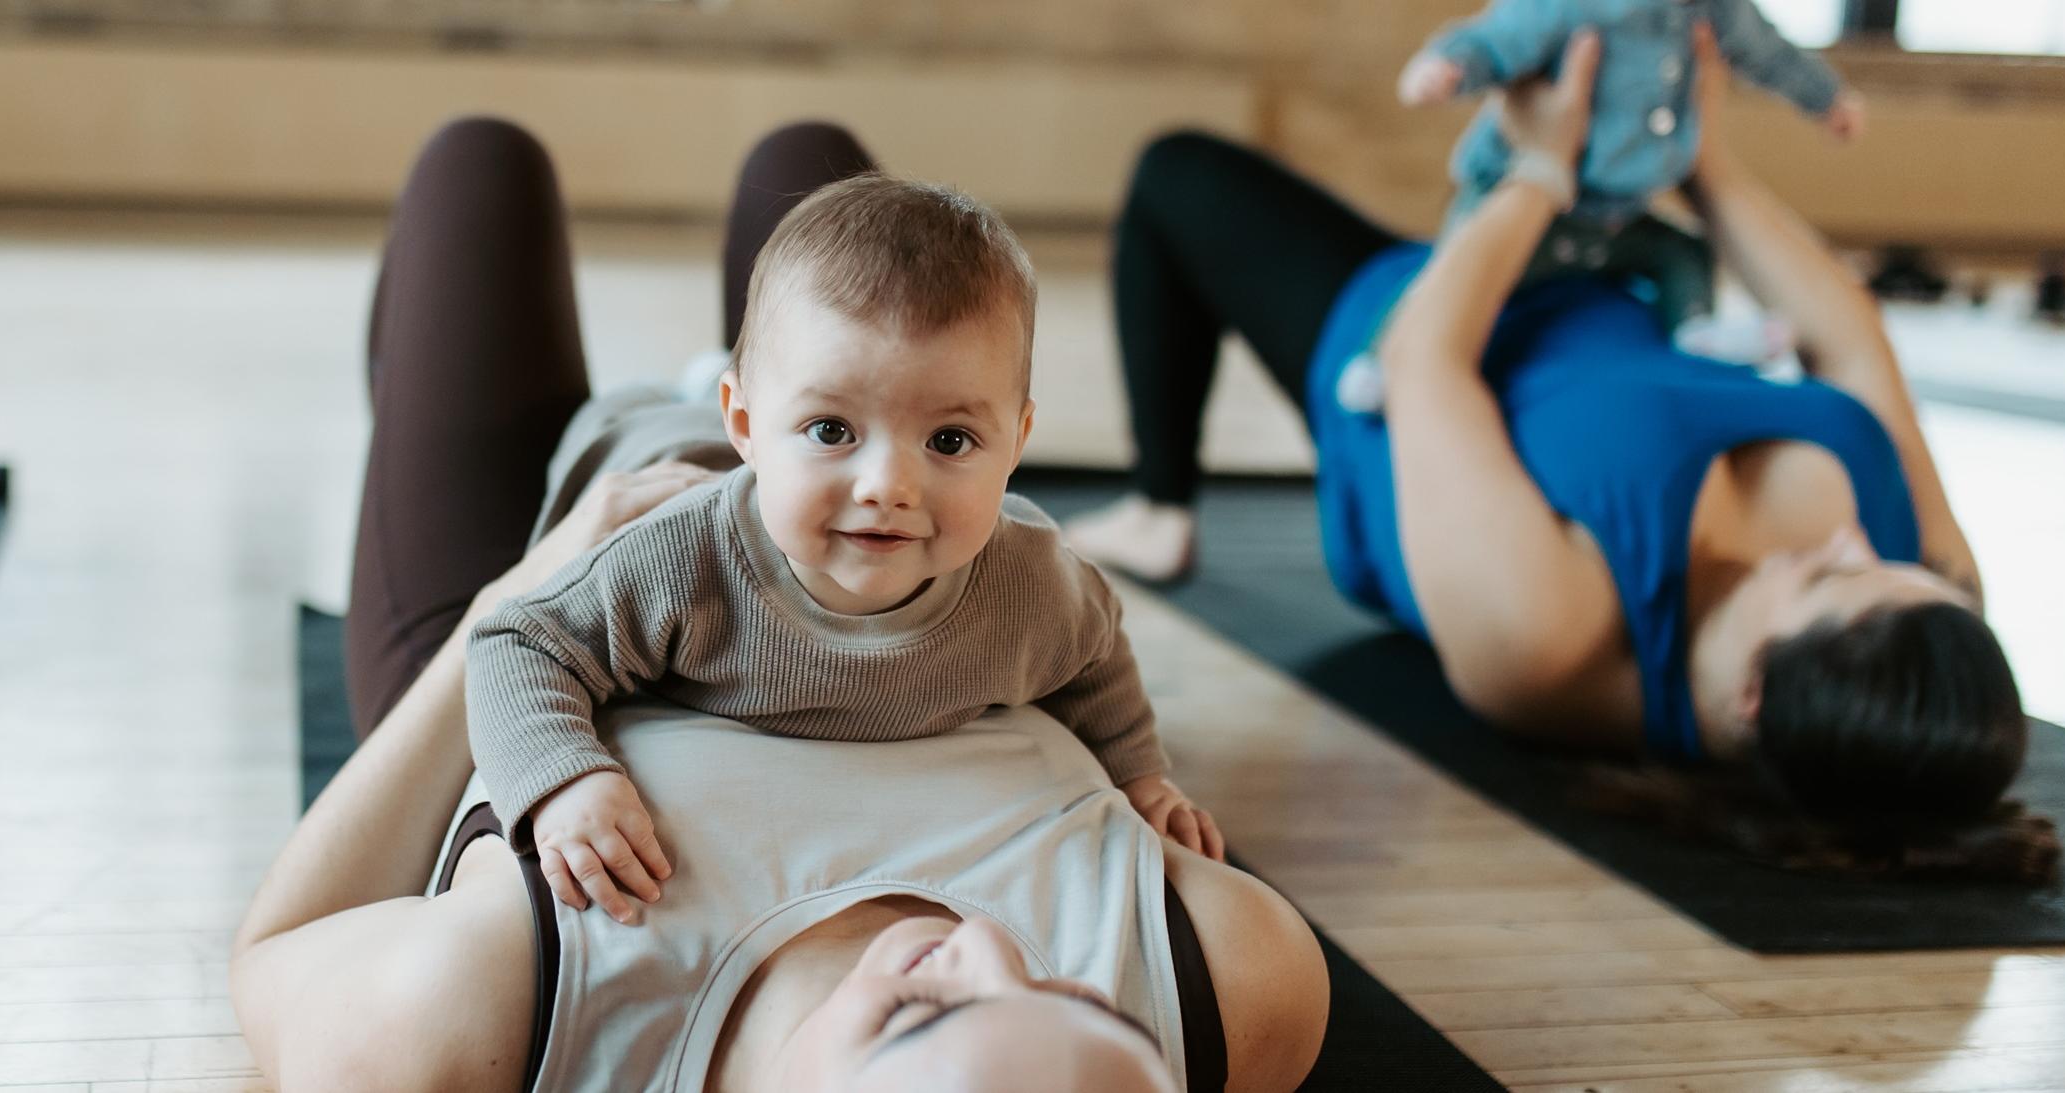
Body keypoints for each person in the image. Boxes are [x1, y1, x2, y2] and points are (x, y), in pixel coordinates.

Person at [230, 118, 1330, 1092]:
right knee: (818, 180)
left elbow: (285, 939)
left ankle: (774, 395)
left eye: (909, 1018)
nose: (987, 952)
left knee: (481, 166)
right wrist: (1144, 775)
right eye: (1078, 1002)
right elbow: (1093, 654)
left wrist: (532, 596)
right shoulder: (1232, 989)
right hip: (794, 492)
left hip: (571, 551)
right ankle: (797, 378)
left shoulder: (443, 1037)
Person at [1068, 28, 2052, 880]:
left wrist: (1541, 168)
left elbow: (1423, 364)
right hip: (1600, 289)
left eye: (1828, 579)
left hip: (1407, 331)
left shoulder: (1548, 642)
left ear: (1752, 692)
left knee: (1175, 174)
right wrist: (1699, 158)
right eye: (1891, 567)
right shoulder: (1920, 605)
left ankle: (1161, 508)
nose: (1854, 540)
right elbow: (1848, 341)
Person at [465, 174, 1221, 927]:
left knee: (813, 167)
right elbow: (518, 641)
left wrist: (1140, 775)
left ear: (1017, 443)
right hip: (630, 464)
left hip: (754, 436)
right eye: (834, 429)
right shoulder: (678, 560)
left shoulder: (1033, 581)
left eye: (950, 440)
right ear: (747, 421)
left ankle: (753, 393)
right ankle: (671, 396)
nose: (889, 486)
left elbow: (1096, 655)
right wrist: (563, 778)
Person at [1386, 0, 1863, 371]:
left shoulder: (1719, 11)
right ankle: (1382, 352)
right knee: (1458, 263)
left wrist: (1826, 98)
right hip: (1526, 205)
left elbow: (1771, 54)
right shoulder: (1574, 7)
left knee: (1685, 253)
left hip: (1619, 214)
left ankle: (1695, 325)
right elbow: (1494, 40)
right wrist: (1446, 68)